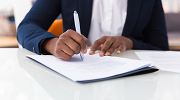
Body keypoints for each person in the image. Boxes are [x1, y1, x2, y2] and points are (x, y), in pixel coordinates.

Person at [17, 0, 169, 60]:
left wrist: (128, 42)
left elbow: (161, 49)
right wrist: (52, 44)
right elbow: (27, 27)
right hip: (75, 79)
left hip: (132, 84)